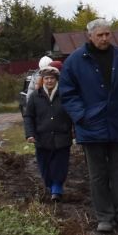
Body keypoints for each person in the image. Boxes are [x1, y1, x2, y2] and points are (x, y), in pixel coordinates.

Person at [56, 19, 118, 235]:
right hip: (91, 125)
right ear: (90, 36)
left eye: (107, 34)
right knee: (98, 175)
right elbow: (67, 93)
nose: (105, 38)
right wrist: (81, 116)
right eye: (100, 35)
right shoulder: (76, 61)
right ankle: (104, 217)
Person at [22, 63, 73, 200]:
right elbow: (28, 116)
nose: (49, 81)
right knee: (44, 165)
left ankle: (57, 188)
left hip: (62, 137)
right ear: (42, 80)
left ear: (57, 80)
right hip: (42, 138)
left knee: (60, 164)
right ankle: (50, 185)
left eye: (52, 78)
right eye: (46, 78)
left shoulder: (65, 95)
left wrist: (75, 132)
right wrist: (30, 133)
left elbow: (73, 114)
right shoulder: (34, 96)